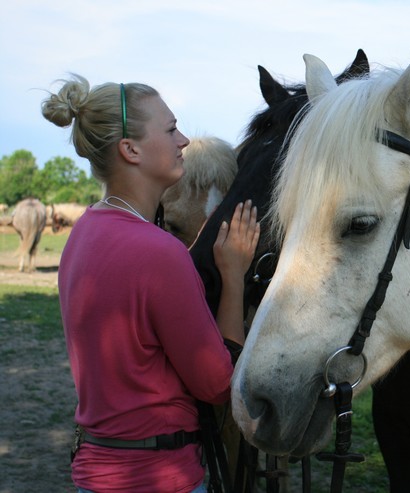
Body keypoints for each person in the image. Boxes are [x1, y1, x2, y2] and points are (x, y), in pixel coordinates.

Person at [41, 74, 260, 493]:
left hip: (96, 472)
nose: (182, 141)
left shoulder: (83, 232)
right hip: (159, 478)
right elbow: (216, 386)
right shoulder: (159, 253)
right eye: (171, 129)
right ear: (131, 149)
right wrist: (232, 276)